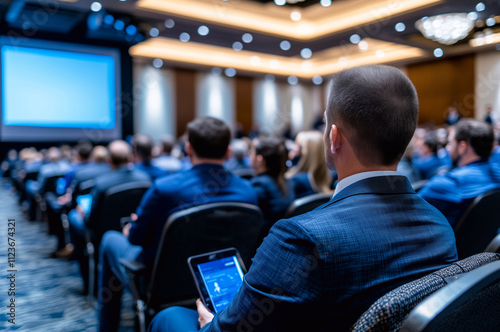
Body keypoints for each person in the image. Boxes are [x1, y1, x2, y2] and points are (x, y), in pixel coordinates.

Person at [148, 65, 457, 332]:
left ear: (334, 138)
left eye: (325, 124)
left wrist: (209, 323)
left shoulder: (302, 239)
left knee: (170, 316)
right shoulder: (440, 225)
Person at [97, 117, 258, 332]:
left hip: (162, 285)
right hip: (222, 284)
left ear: (189, 149)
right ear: (228, 152)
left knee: (109, 239)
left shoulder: (164, 188)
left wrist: (131, 230)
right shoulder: (248, 191)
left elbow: (136, 239)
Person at [67, 140, 150, 294]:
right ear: (130, 157)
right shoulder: (145, 179)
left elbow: (90, 222)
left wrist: (82, 213)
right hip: (133, 233)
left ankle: (87, 281)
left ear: (109, 160)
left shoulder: (101, 183)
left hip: (101, 236)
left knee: (73, 216)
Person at [418, 119, 500, 228]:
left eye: (451, 143)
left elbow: (405, 211)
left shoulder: (449, 183)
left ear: (462, 147)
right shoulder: (497, 176)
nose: (447, 148)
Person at [250, 135, 295, 229]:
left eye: (251, 153)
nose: (249, 156)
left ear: (259, 160)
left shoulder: (259, 186)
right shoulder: (289, 183)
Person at [285, 130, 333, 198]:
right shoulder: (331, 178)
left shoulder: (293, 182)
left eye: (296, 146)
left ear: (304, 154)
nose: (292, 152)